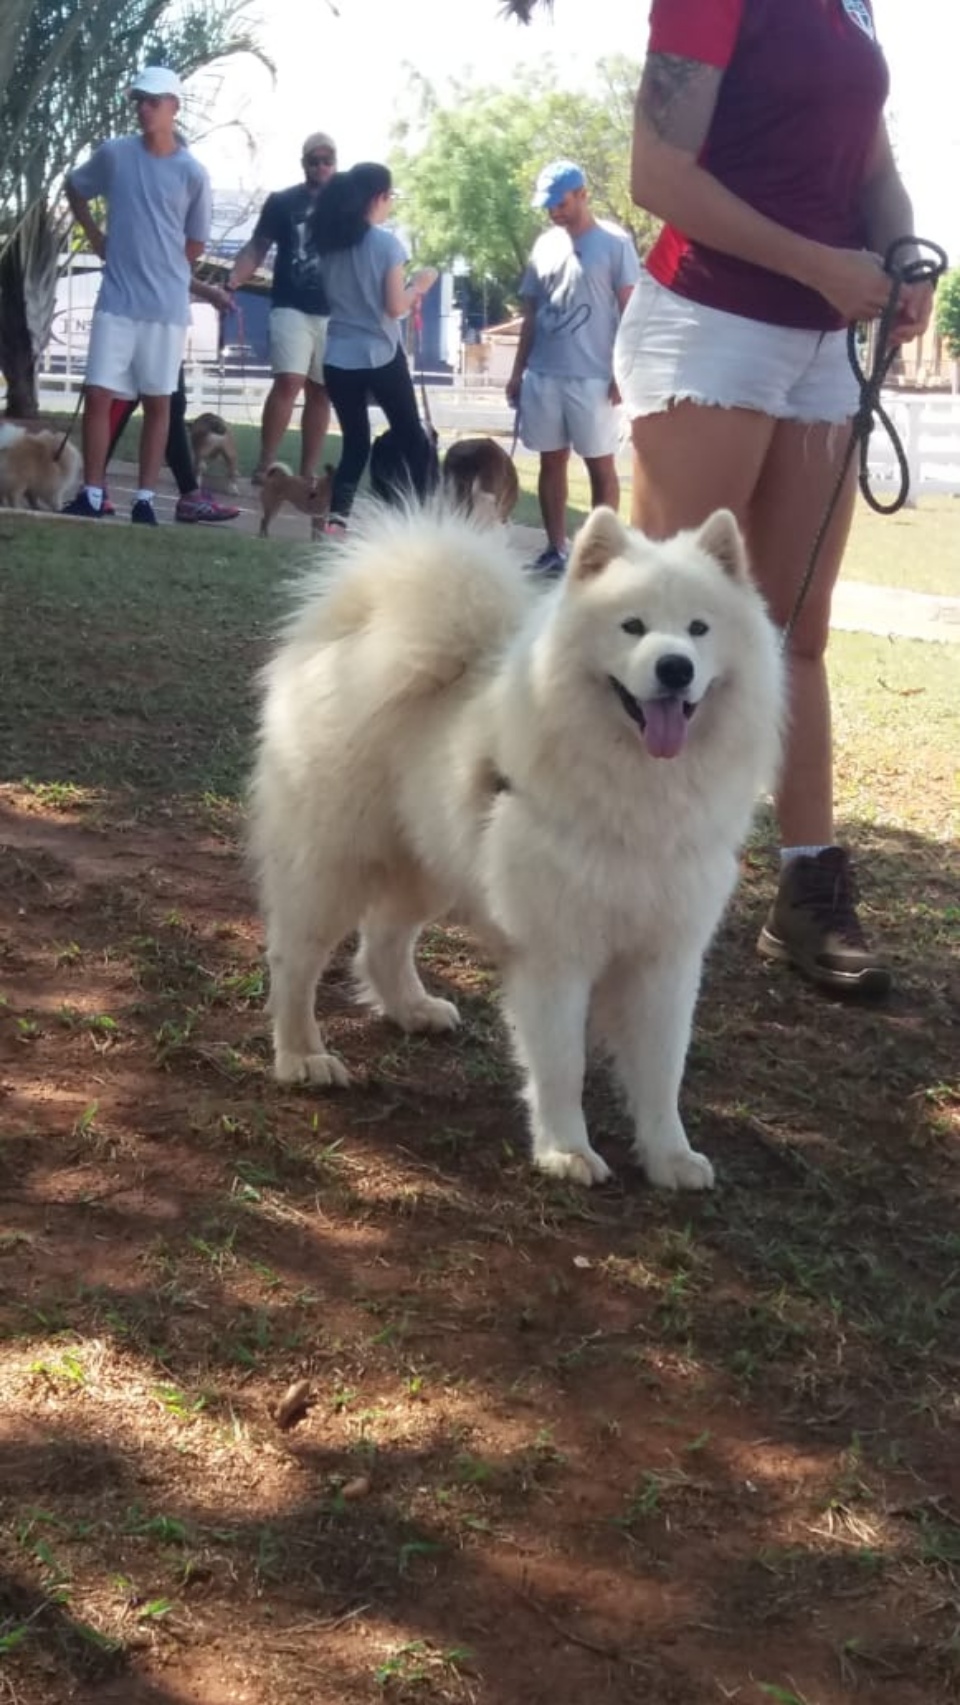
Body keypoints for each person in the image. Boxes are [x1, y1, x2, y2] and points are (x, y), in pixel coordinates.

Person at [508, 0, 934, 999]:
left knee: (796, 632)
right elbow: (660, 176)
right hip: (709, 325)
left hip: (823, 341)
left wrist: (902, 256)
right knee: (654, 631)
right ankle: (600, 872)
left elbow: (872, 166)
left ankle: (807, 888)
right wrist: (821, 264)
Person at [63, 65, 212, 526]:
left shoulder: (192, 173)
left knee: (158, 401)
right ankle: (92, 492)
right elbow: (75, 187)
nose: (144, 109)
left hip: (165, 309)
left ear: (174, 107)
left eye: (153, 101)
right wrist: (95, 237)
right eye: (139, 101)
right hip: (118, 300)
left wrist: (169, 271)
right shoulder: (115, 154)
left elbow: (195, 242)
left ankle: (145, 499)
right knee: (100, 394)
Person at [506, 160, 640, 575]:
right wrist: (517, 371)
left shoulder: (615, 244)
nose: (554, 212)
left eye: (561, 203)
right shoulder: (545, 245)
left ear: (583, 195)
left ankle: (603, 556)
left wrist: (623, 372)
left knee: (600, 465)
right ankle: (554, 549)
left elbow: (631, 312)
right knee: (551, 461)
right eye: (548, 205)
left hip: (594, 375)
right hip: (545, 373)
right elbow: (531, 313)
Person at [312, 162, 438, 531]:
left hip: (338, 355)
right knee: (412, 437)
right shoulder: (386, 244)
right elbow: (395, 306)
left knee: (355, 443)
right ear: (379, 197)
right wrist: (421, 284)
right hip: (380, 353)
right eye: (390, 197)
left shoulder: (329, 245)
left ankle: (337, 521)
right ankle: (424, 519)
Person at [226, 133, 337, 486]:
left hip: (334, 309)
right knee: (289, 380)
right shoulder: (283, 202)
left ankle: (307, 473)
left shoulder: (349, 202)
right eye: (313, 160)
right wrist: (231, 282)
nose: (320, 166)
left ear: (335, 162)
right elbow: (257, 247)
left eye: (327, 159)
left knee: (321, 390)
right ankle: (266, 463)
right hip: (290, 304)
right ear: (303, 163)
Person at [103, 278, 240, 523]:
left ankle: (186, 493)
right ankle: (95, 484)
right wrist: (208, 291)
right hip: (138, 312)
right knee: (126, 400)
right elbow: (166, 265)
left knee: (169, 404)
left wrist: (204, 291)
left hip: (165, 315)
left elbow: (172, 265)